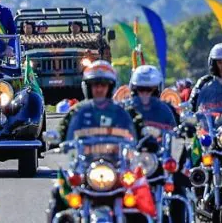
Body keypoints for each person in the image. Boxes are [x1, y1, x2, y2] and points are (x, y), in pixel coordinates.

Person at [48, 60, 143, 221]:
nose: (99, 89)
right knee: (60, 192)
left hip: (116, 166)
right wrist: (56, 139)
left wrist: (146, 137)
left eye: (103, 85)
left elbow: (138, 127)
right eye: (95, 85)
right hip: (85, 167)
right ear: (88, 87)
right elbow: (62, 131)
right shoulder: (77, 111)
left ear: (110, 87)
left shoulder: (122, 111)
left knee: (139, 201)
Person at [123, 65, 188, 223]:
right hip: (133, 161)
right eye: (141, 90)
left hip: (159, 159)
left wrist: (185, 130)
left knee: (179, 186)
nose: (145, 94)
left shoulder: (168, 110)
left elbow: (178, 133)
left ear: (157, 90)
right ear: (134, 89)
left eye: (150, 90)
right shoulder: (124, 109)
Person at [189, 43, 222, 112]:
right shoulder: (204, 83)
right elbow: (192, 105)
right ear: (213, 64)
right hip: (208, 122)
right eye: (220, 62)